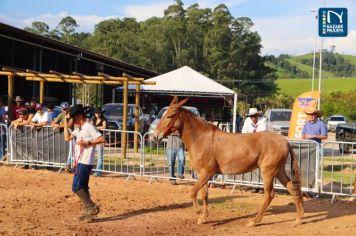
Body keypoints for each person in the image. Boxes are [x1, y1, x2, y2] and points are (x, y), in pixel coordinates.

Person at [64, 105, 104, 221]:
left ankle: (92, 207)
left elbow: (101, 139)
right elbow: (67, 138)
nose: (72, 120)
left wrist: (88, 142)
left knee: (76, 187)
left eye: (72, 117)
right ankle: (89, 212)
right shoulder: (78, 129)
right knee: (83, 187)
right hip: (80, 162)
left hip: (85, 162)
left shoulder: (88, 127)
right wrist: (66, 123)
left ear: (79, 116)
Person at [241, 108, 267, 193]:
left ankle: (263, 187)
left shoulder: (263, 120)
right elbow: (244, 132)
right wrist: (252, 136)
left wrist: (251, 135)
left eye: (254, 116)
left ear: (257, 115)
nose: (253, 118)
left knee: (263, 168)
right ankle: (254, 186)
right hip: (250, 147)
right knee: (252, 167)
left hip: (262, 147)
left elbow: (262, 134)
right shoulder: (247, 121)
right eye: (251, 116)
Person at [52, 102, 73, 172]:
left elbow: (69, 125)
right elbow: (53, 123)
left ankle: (69, 165)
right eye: (64, 109)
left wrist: (59, 126)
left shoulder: (71, 114)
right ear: (61, 109)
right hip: (66, 135)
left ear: (69, 108)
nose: (65, 111)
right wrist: (56, 125)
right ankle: (68, 165)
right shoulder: (61, 115)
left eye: (66, 109)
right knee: (70, 150)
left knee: (72, 150)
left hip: (73, 134)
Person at [91, 108, 107, 177]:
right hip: (93, 139)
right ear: (95, 113)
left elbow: (104, 126)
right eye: (97, 113)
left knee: (100, 156)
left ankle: (98, 172)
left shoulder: (104, 119)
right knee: (90, 154)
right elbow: (90, 126)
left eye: (99, 113)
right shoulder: (93, 119)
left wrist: (96, 128)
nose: (98, 114)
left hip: (100, 139)